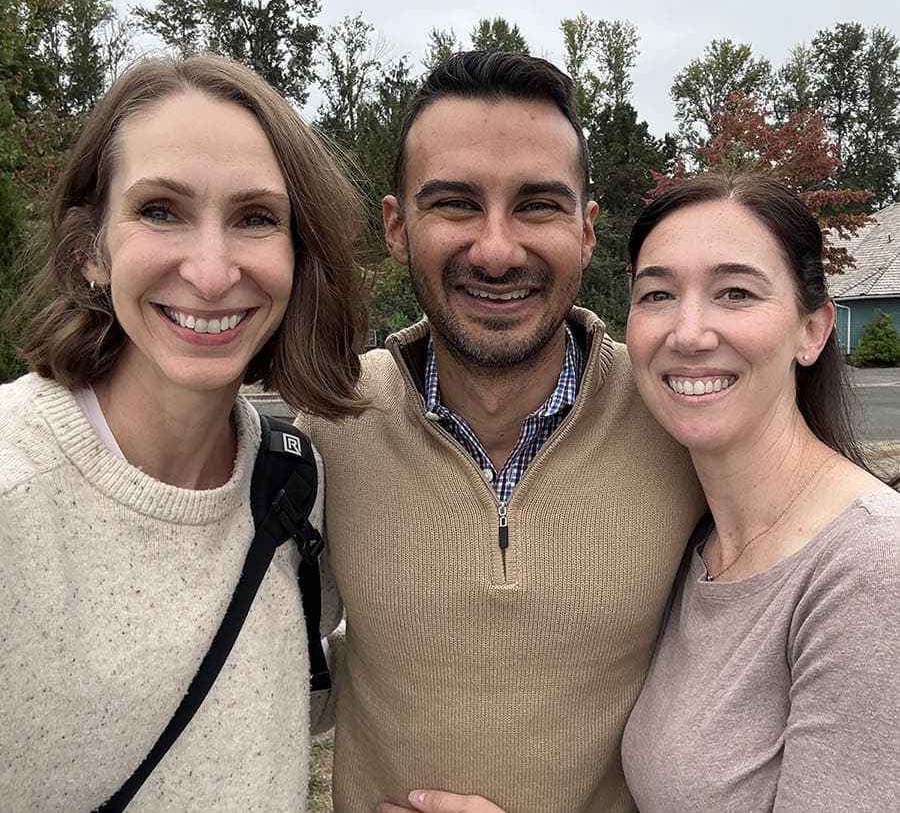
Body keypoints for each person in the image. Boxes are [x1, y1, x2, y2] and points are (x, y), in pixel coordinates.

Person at [295, 51, 705, 813]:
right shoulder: (331, 425)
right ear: (397, 226)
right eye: (453, 203)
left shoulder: (681, 429)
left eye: (537, 206)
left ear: (587, 230)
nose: (495, 249)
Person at [0, 54, 367, 810]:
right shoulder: (14, 492)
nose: (209, 272)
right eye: (161, 210)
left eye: (256, 218)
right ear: (90, 251)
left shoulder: (294, 486)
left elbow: (293, 695)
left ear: (300, 255)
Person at [619, 172, 900, 810]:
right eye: (657, 294)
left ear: (813, 331)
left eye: (736, 292)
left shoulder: (871, 568)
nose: (687, 333)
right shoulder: (695, 543)